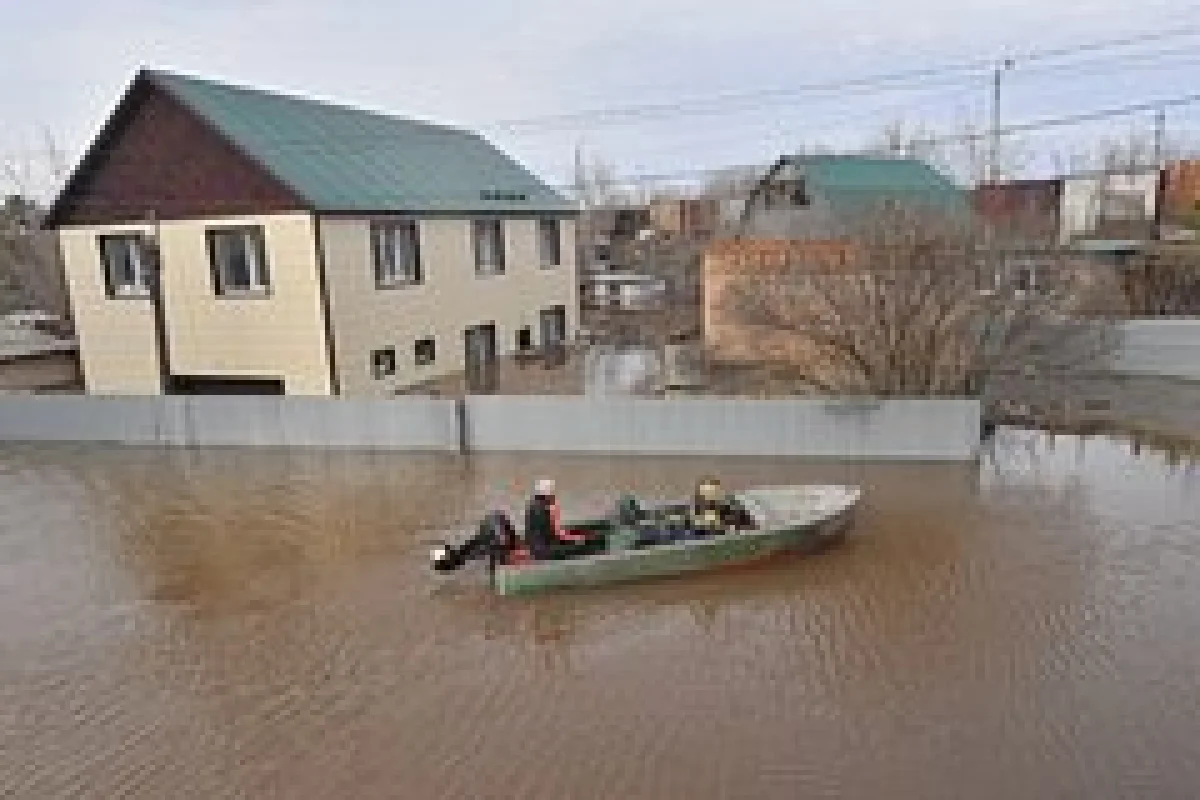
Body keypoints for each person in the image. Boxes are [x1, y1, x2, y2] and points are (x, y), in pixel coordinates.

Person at [525, 479, 589, 561]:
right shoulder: (549, 509)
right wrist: (577, 537)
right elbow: (557, 534)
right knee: (581, 542)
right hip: (546, 552)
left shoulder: (532, 508)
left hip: (533, 550)